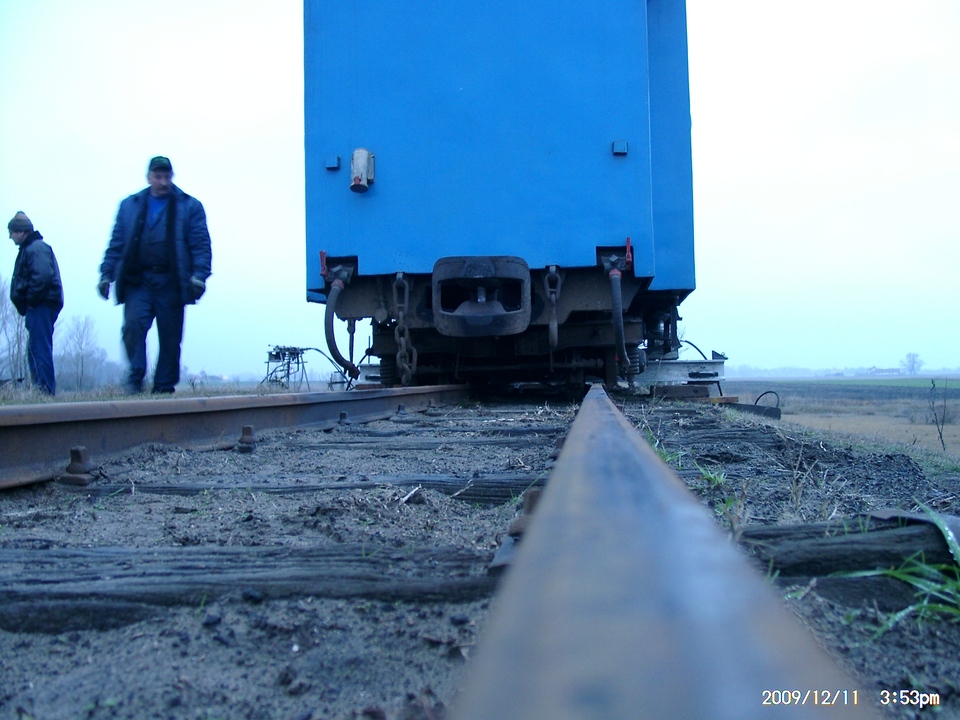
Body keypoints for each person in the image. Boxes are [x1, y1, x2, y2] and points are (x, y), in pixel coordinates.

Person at [98, 156, 212, 394]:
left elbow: (201, 244)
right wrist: (106, 274)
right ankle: (135, 377)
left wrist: (199, 276)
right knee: (132, 327)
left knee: (170, 337)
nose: (163, 182)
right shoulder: (129, 206)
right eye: (158, 177)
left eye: (167, 177)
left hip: (172, 281)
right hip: (138, 280)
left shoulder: (189, 206)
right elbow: (117, 243)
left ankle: (163, 386)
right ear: (148, 177)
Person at [8, 211, 64, 395]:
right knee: (36, 348)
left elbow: (43, 276)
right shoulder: (32, 248)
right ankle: (42, 389)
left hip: (41, 305)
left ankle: (45, 391)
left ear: (21, 231)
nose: (10, 236)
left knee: (39, 348)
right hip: (39, 305)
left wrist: (31, 300)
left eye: (12, 232)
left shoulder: (36, 248)